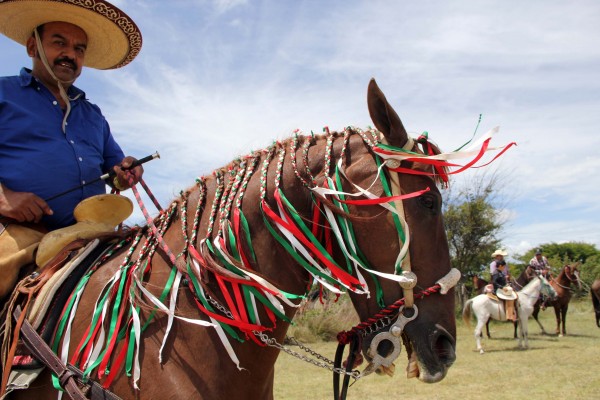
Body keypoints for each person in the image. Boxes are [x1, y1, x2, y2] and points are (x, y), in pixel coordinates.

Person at [0, 0, 144, 297]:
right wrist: (5, 198)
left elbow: (115, 172)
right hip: (21, 234)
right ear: (32, 47)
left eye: (79, 48)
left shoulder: (93, 115)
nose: (70, 54)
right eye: (59, 43)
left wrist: (127, 172)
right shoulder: (4, 93)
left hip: (94, 233)